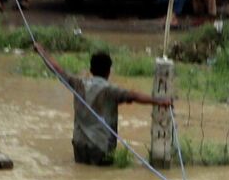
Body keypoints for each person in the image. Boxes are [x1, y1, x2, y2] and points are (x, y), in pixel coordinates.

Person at [38, 46, 175, 166]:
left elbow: (57, 70)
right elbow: (134, 96)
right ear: (109, 71)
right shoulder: (111, 91)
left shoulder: (78, 84)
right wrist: (159, 101)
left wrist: (42, 52)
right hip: (101, 148)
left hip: (79, 146)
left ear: (90, 69)